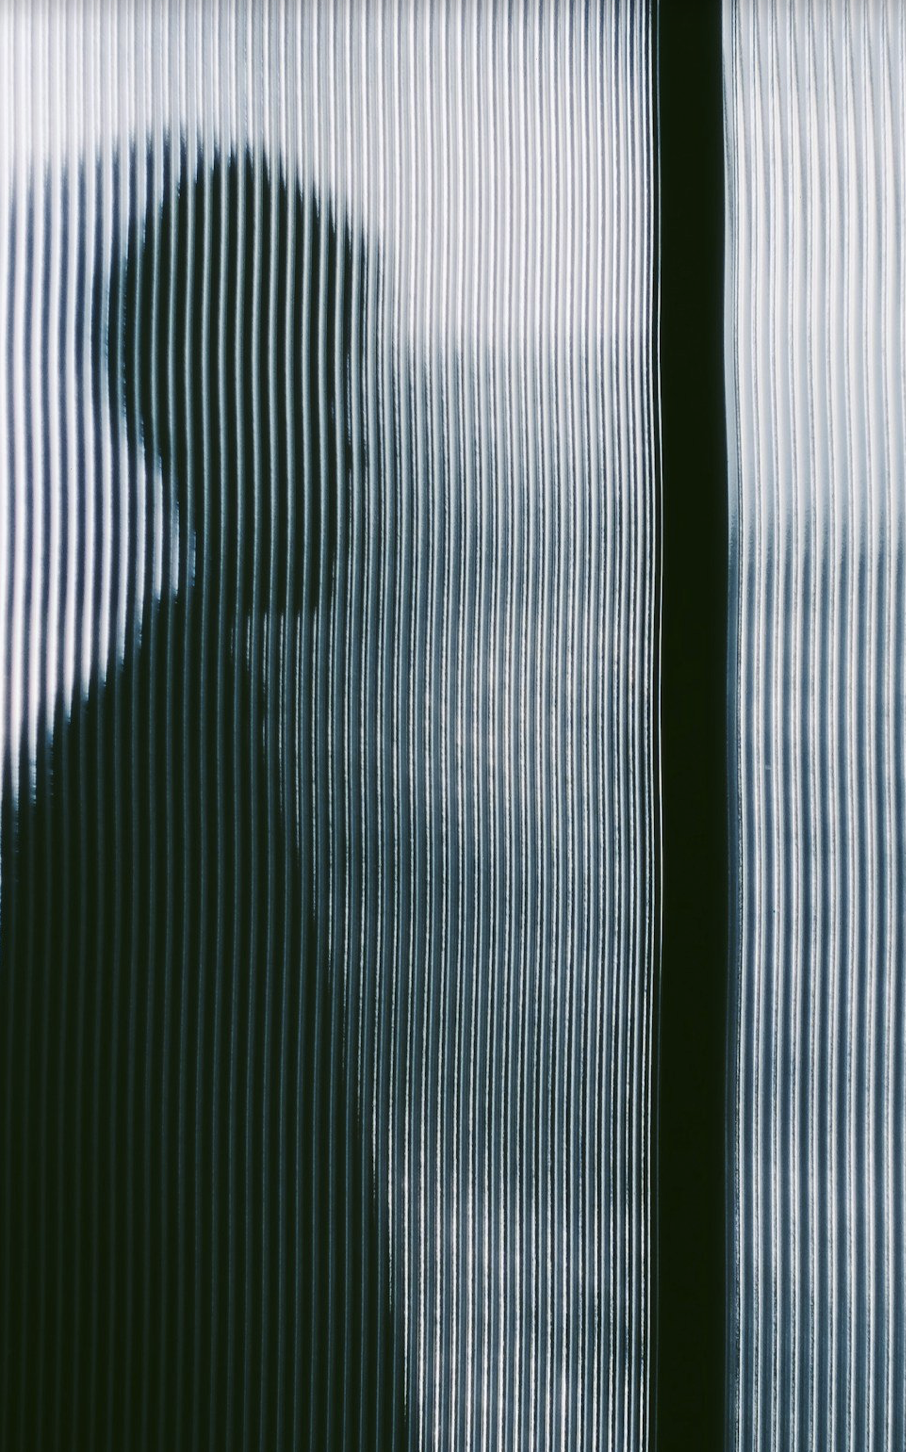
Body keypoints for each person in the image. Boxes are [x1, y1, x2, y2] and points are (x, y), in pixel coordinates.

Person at [0, 143, 410, 1450]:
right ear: (209, 402)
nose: (357, 447)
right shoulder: (163, 794)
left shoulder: (164, 747)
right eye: (322, 386)